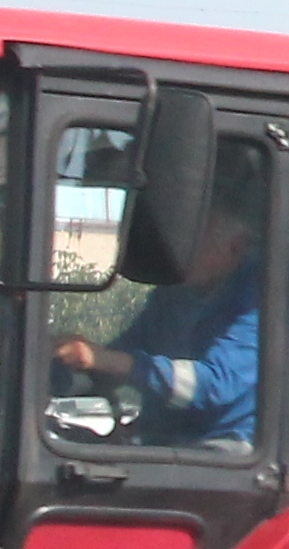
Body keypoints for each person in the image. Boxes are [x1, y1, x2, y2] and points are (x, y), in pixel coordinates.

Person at [52, 156, 263, 449]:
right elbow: (127, 352)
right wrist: (65, 359)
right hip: (166, 443)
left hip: (227, 452)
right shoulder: (174, 296)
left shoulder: (263, 304)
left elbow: (213, 386)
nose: (180, 250)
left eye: (196, 239)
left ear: (236, 246)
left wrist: (107, 360)